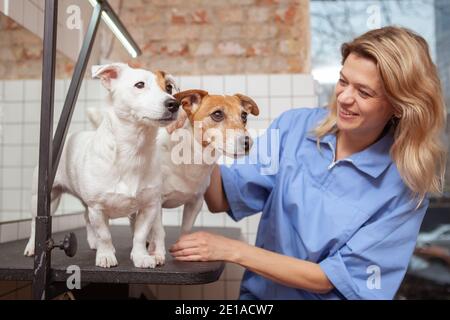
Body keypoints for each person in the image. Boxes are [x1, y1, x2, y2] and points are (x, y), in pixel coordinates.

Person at [169, 26, 447, 300]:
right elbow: (222, 198)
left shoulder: (403, 190)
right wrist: (199, 135)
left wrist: (232, 250)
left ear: (398, 105)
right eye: (343, 81)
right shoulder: (295, 127)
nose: (345, 98)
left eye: (364, 92)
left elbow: (332, 278)